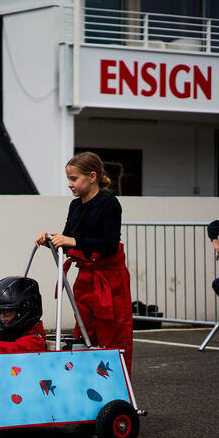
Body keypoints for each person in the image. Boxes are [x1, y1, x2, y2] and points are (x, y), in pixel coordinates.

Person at [34, 151, 133, 370]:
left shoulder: (109, 204)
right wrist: (50, 238)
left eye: (74, 179)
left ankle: (117, 387)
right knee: (85, 332)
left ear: (92, 176)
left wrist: (71, 241)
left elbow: (108, 243)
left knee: (112, 333)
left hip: (109, 279)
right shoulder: (75, 206)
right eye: (68, 179)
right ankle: (88, 382)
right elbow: (68, 238)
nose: (70, 184)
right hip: (86, 275)